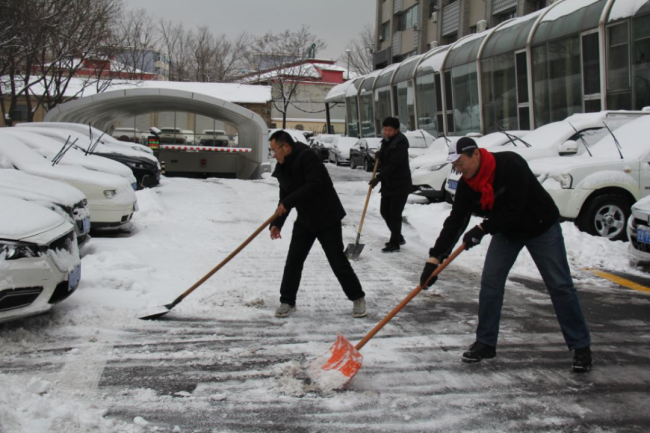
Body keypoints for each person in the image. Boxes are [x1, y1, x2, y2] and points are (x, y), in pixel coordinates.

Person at [420, 137, 592, 372]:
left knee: (560, 286)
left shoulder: (511, 164)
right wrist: (435, 258)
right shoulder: (467, 185)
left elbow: (516, 208)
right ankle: (485, 343)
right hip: (507, 232)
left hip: (541, 226)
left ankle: (580, 346)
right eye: (455, 166)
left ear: (476, 154)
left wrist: (482, 229)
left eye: (461, 163)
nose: (459, 170)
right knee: (491, 283)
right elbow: (455, 222)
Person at [269, 130, 367, 318]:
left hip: (326, 217)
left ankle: (357, 297)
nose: (274, 154)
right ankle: (287, 301)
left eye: (275, 150)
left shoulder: (308, 157)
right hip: (305, 219)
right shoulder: (283, 166)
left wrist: (288, 203)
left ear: (286, 146)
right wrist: (277, 223)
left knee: (337, 260)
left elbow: (313, 185)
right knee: (294, 260)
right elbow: (284, 197)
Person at [369, 117, 413, 253]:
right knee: (384, 211)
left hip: (400, 184)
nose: (387, 132)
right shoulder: (386, 142)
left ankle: (395, 242)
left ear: (396, 130)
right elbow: (385, 159)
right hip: (389, 184)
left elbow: (394, 164)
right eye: (385, 130)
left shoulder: (400, 143)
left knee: (394, 214)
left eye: (390, 130)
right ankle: (398, 236)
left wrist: (378, 178)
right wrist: (379, 156)